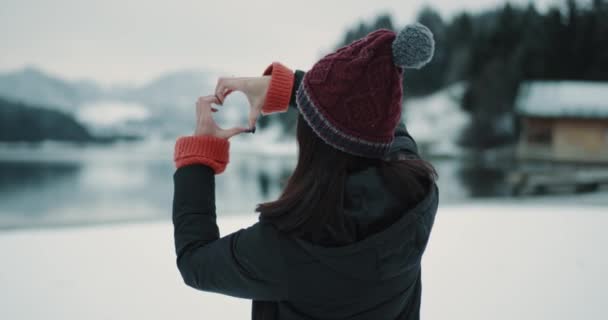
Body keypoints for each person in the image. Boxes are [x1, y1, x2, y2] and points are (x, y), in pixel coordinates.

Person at [172, 23, 439, 320]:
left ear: (311, 139)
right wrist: (294, 90)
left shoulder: (289, 245)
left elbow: (195, 261)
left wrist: (198, 156)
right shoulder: (418, 193)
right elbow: (380, 124)